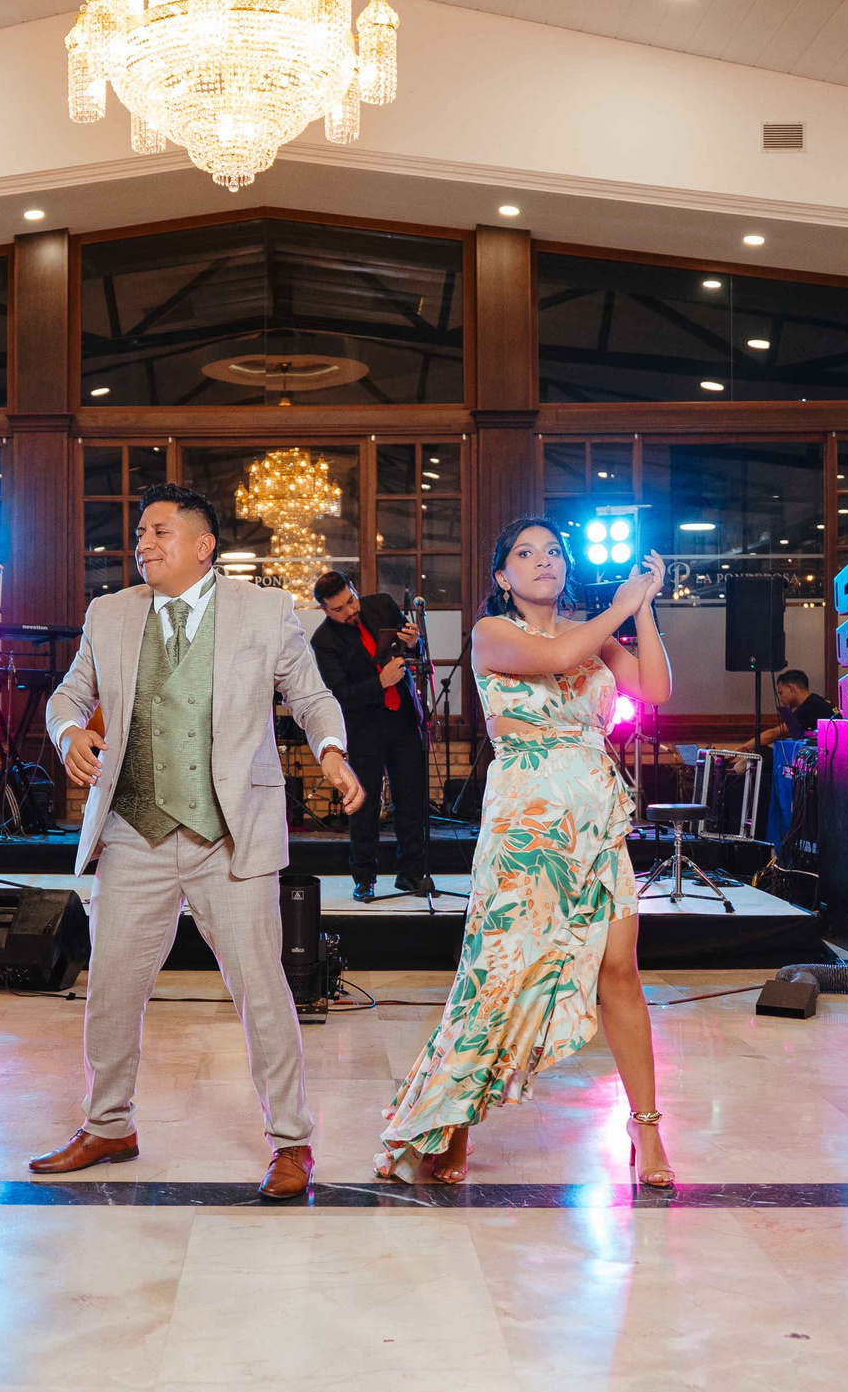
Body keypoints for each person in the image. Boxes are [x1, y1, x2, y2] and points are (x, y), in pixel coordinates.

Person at [37, 483, 365, 1200]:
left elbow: (311, 696)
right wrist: (70, 733)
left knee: (262, 990)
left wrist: (332, 752)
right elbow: (67, 695)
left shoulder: (265, 611)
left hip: (230, 835)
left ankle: (291, 1141)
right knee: (112, 988)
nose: (142, 544)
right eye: (139, 535)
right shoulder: (109, 613)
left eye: (158, 532)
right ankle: (108, 1124)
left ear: (203, 544)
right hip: (134, 832)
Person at [375, 520, 676, 1188]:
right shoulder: (491, 633)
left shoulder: (594, 635)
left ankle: (646, 1126)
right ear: (503, 577)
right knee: (498, 976)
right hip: (526, 827)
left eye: (553, 552)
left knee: (620, 971)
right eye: (525, 553)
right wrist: (620, 606)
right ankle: (453, 1120)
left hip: (596, 822)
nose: (544, 561)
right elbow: (554, 658)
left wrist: (643, 609)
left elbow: (654, 691)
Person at [309, 572, 433, 899]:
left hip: (403, 718)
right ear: (324, 610)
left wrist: (413, 643)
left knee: (411, 799)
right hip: (363, 729)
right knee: (364, 804)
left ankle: (412, 874)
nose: (349, 611)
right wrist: (380, 683)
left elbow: (414, 650)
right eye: (338, 609)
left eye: (350, 601)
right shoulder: (324, 640)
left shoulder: (382, 605)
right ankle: (364, 878)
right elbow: (339, 695)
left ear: (354, 589)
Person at [747, 667, 834, 751]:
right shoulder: (816, 701)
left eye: (781, 692)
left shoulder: (810, 706)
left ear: (790, 687)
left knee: (762, 752)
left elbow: (772, 734)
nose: (780, 699)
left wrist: (742, 749)